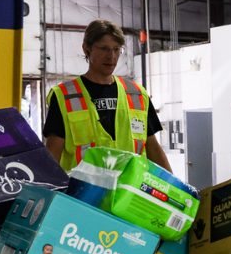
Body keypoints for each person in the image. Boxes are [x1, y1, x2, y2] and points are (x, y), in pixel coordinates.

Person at [42, 19, 172, 173]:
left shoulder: (137, 94)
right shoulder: (65, 96)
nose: (111, 56)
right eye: (104, 49)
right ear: (86, 49)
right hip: (84, 188)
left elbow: (153, 148)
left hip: (130, 188)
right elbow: (52, 154)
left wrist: (173, 186)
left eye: (116, 49)